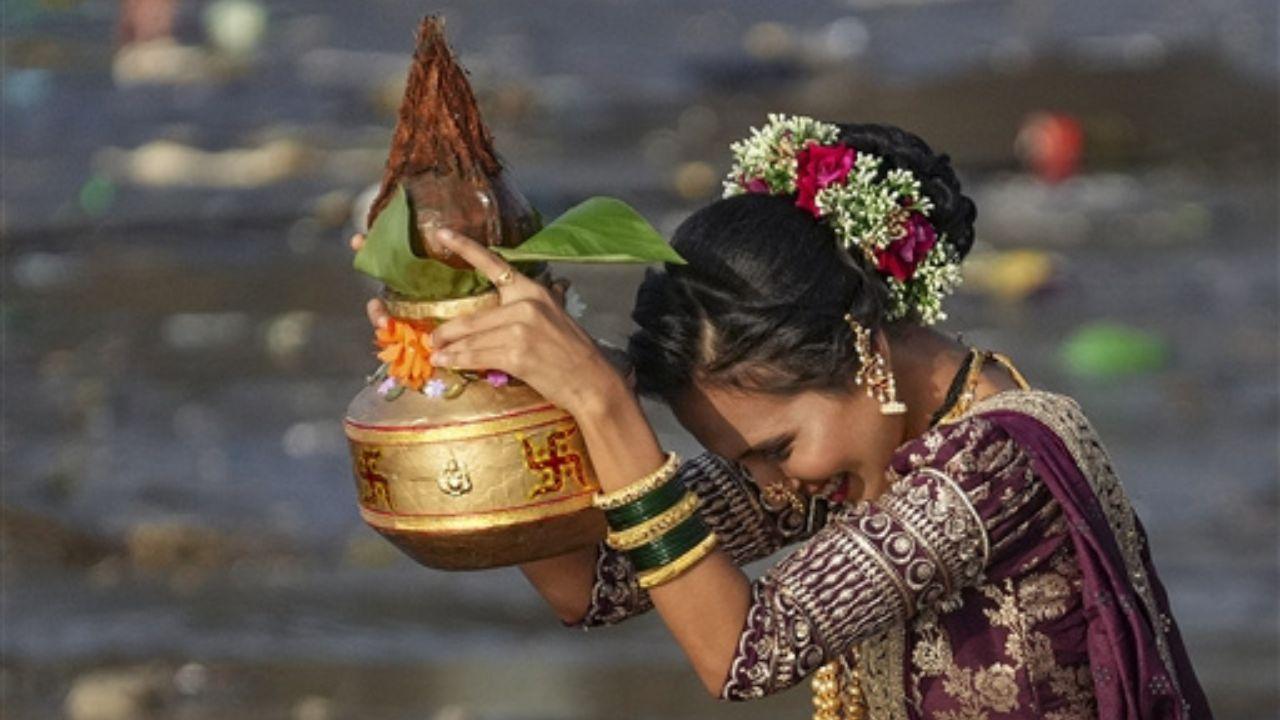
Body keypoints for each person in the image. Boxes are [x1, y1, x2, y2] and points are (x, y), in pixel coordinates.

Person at [350, 117, 1212, 719]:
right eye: (751, 465)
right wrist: (509, 384)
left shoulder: (994, 464)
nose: (774, 484)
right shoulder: (857, 457)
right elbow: (599, 581)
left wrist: (601, 402)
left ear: (862, 350)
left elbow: (742, 653)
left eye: (775, 450)